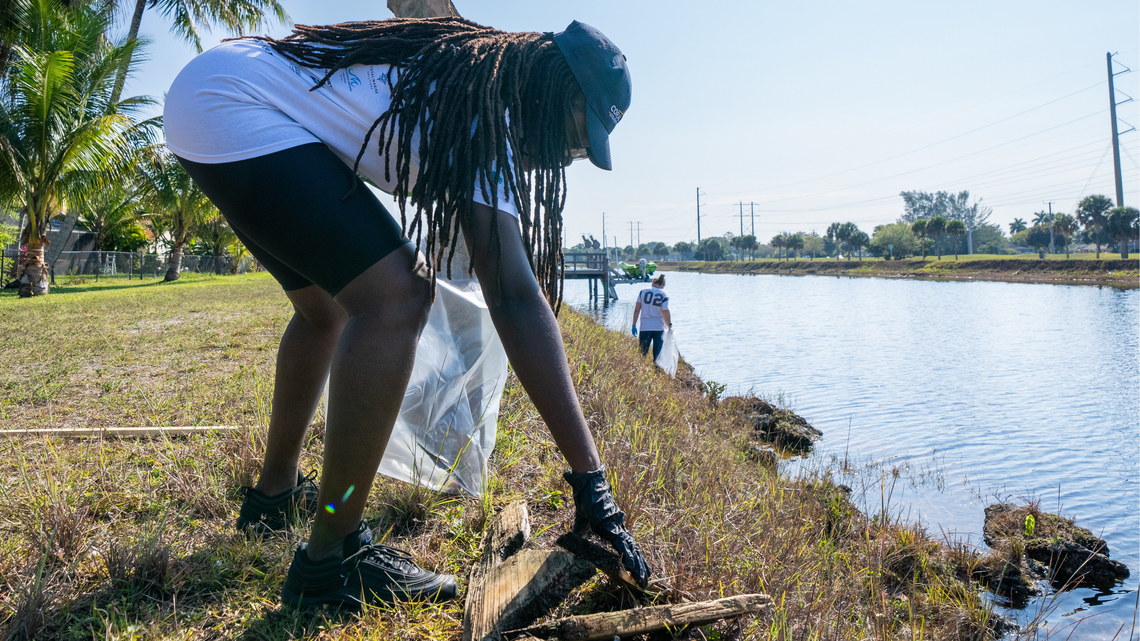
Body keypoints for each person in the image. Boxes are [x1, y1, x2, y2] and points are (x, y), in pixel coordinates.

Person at [163, 16, 650, 608]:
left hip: (210, 96)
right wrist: (591, 482)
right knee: (398, 294)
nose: (572, 156)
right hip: (236, 109)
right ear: (556, 91)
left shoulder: (477, 83)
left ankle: (272, 498)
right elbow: (515, 298)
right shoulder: (485, 119)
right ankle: (331, 558)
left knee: (327, 311)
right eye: (578, 135)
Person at [631, 274, 670, 360]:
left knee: (643, 353)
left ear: (652, 284)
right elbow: (665, 310)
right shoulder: (664, 294)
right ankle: (656, 370)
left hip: (645, 327)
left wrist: (634, 325)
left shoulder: (642, 292)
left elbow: (637, 310)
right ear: (662, 286)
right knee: (657, 356)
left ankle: (641, 370)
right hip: (659, 327)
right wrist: (669, 326)